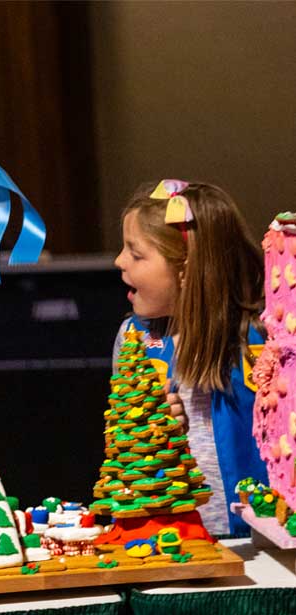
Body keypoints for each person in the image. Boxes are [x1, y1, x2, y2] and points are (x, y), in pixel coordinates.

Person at [113, 179, 268, 536]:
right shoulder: (134, 338)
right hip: (168, 539)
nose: (118, 260)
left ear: (185, 271)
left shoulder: (260, 339)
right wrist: (150, 429)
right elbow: (120, 449)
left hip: (257, 542)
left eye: (136, 254)